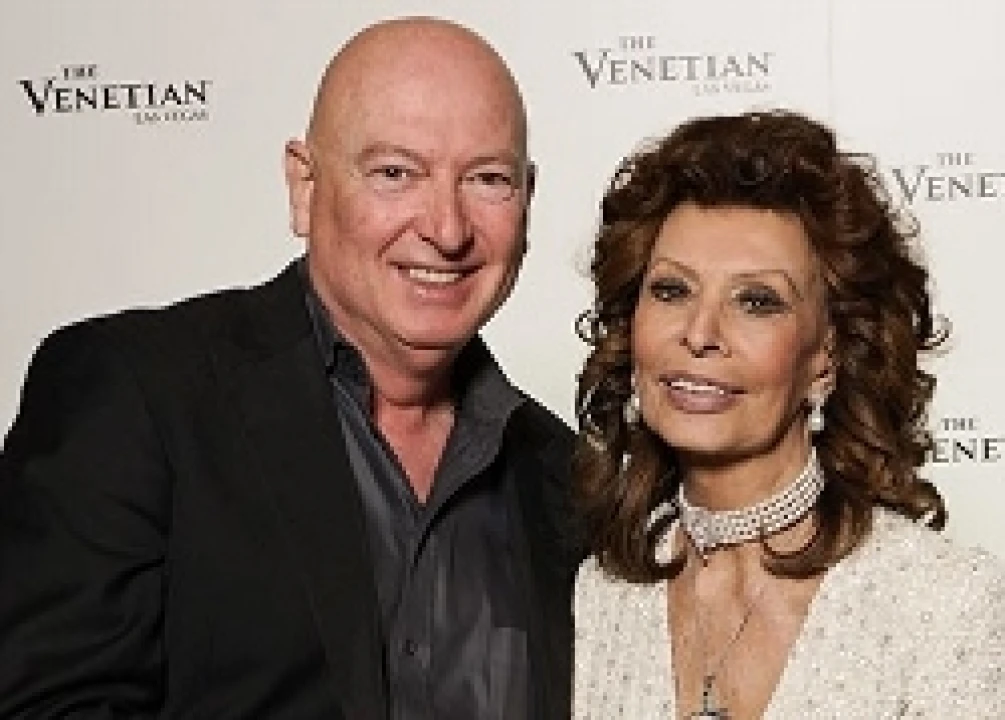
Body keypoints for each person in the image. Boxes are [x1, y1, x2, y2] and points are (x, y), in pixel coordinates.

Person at [0, 17, 580, 719]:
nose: (447, 229)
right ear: (304, 186)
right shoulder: (136, 394)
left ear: (527, 201)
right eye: (395, 173)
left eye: (488, 180)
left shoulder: (566, 480)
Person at [572, 110, 1005, 718]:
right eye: (672, 290)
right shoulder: (602, 594)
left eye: (757, 301)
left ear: (827, 355)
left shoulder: (940, 604)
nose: (700, 333)